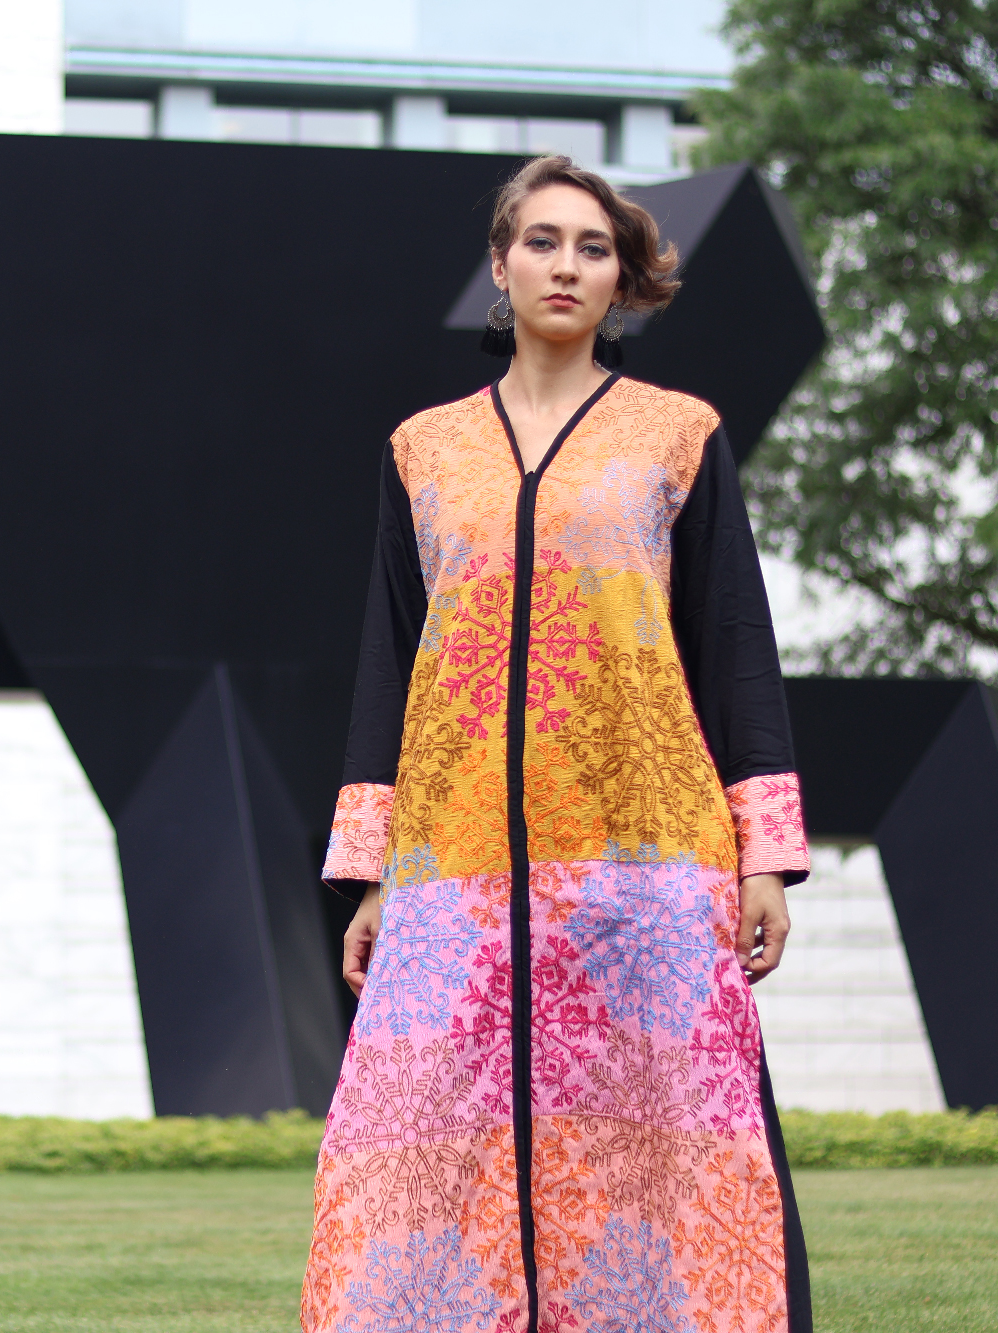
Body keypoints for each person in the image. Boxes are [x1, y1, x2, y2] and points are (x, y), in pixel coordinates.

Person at [301, 155, 813, 1333]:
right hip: (455, 869)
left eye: (592, 247)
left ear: (620, 277)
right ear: (499, 264)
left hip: (642, 865)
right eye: (541, 241)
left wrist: (763, 857)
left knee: (665, 1155)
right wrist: (373, 870)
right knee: (412, 1147)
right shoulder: (423, 450)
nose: (566, 264)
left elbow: (731, 644)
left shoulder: (675, 436)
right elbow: (391, 659)